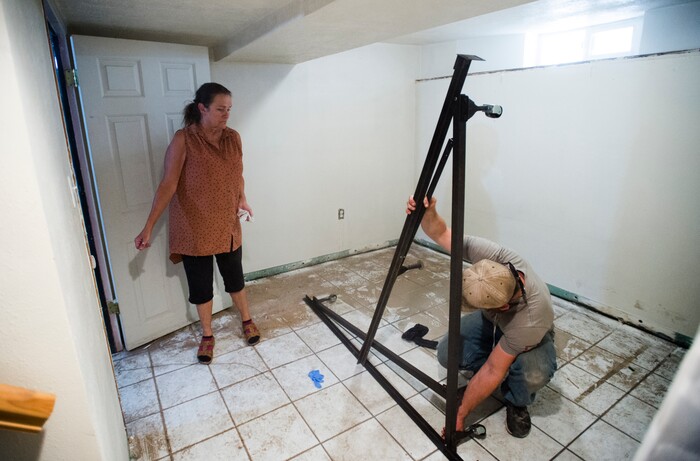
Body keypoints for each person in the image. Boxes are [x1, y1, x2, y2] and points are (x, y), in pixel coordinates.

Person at [406, 196, 557, 438]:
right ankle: (489, 368)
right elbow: (443, 233)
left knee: (533, 370)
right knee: (448, 351)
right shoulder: (494, 257)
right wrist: (427, 212)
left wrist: (461, 413)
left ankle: (517, 401)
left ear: (504, 307)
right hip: (493, 321)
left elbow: (492, 371)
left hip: (532, 335)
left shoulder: (530, 319)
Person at [134, 82, 260, 365]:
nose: (226, 115)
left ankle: (247, 319)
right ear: (202, 108)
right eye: (219, 109)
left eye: (229, 109)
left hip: (227, 223)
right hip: (194, 226)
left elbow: (237, 174)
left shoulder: (233, 138)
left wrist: (243, 199)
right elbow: (168, 184)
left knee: (235, 278)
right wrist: (148, 226)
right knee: (201, 287)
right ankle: (207, 334)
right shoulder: (184, 139)